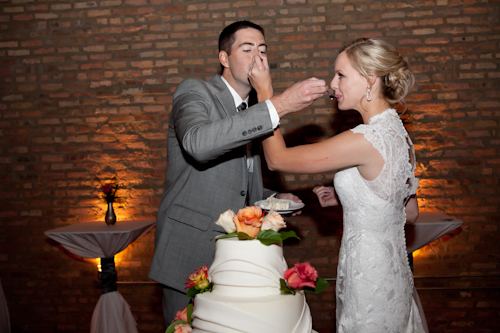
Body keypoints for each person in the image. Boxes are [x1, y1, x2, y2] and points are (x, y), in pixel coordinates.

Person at [148, 20, 328, 327]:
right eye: (247, 49)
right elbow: (198, 144)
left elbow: (239, 184)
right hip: (189, 251)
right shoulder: (195, 91)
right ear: (224, 58)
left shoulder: (252, 111)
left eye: (263, 50)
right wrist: (278, 104)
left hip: (237, 261)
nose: (258, 58)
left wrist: (272, 199)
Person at [253, 38, 426, 332]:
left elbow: (277, 159)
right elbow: (409, 213)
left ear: (370, 79)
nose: (333, 83)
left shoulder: (364, 139)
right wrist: (354, 199)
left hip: (367, 274)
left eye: (341, 75)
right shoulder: (399, 134)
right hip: (393, 269)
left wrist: (266, 96)